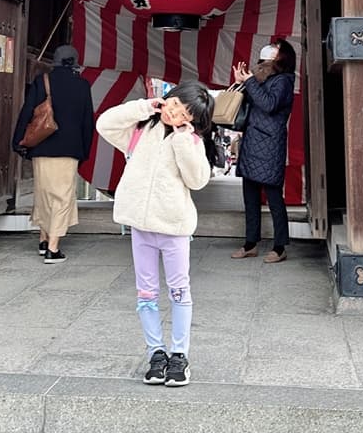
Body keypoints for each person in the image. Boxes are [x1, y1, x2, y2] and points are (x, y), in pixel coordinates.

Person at [96, 80, 215, 387]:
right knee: (146, 294)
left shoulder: (191, 141)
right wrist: (143, 106)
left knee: (179, 291)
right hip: (140, 224)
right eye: (174, 104)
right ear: (167, 98)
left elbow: (198, 179)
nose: (174, 113)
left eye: (183, 112)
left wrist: (182, 141)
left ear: (191, 120)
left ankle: (179, 355)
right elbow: (104, 124)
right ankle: (156, 353)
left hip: (173, 226)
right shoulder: (139, 132)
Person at [12, 43, 94, 263]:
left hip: (42, 147)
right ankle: (53, 249)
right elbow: (88, 122)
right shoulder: (82, 86)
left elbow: (27, 113)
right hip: (69, 149)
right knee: (61, 196)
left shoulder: (42, 82)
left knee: (43, 193)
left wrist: (18, 141)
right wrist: (85, 150)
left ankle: (43, 238)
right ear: (74, 62)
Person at [230, 38, 297, 264]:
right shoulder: (260, 78)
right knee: (249, 196)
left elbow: (268, 104)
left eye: (276, 47)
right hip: (252, 141)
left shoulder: (284, 80)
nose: (271, 49)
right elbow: (251, 103)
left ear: (282, 56)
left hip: (269, 143)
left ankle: (280, 247)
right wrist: (243, 82)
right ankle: (250, 244)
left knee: (274, 197)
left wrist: (250, 83)